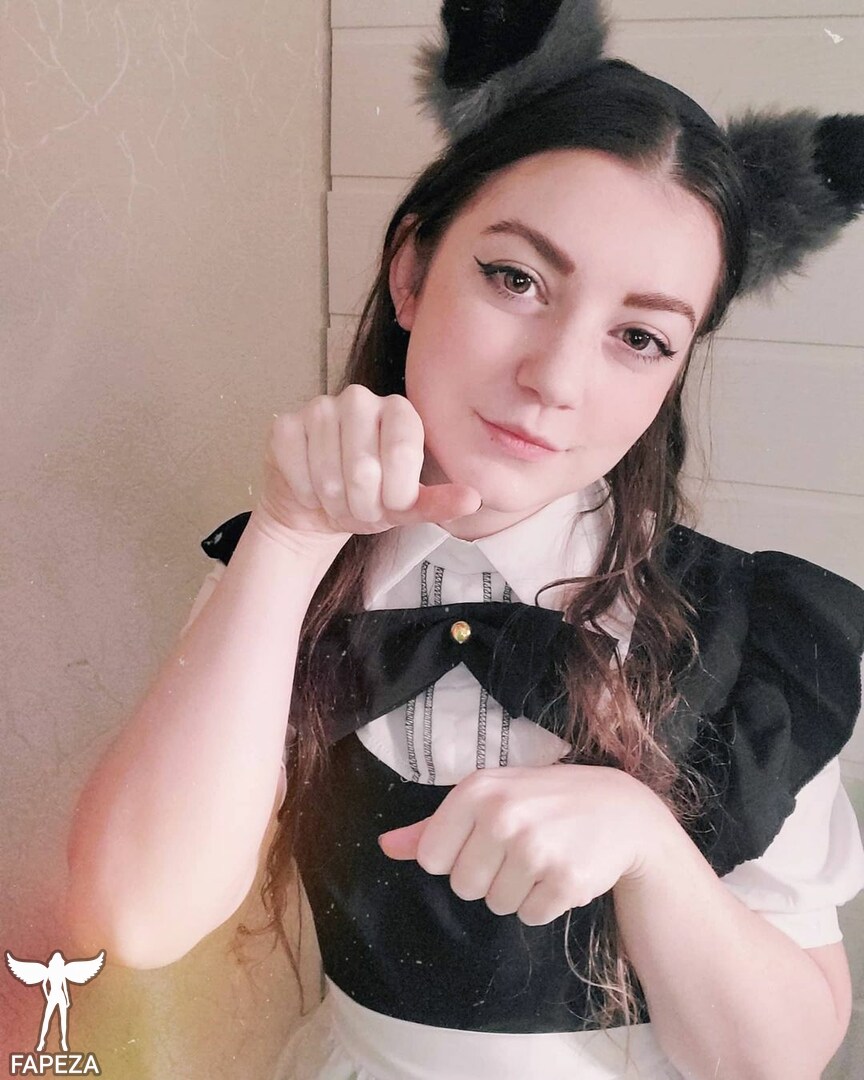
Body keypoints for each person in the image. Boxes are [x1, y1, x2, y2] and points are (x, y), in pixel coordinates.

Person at [65, 2, 864, 1078]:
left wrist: (646, 844)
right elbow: (137, 917)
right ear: (411, 272)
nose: (555, 377)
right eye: (516, 279)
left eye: (639, 337)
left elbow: (777, 1061)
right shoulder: (288, 570)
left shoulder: (748, 633)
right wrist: (290, 544)